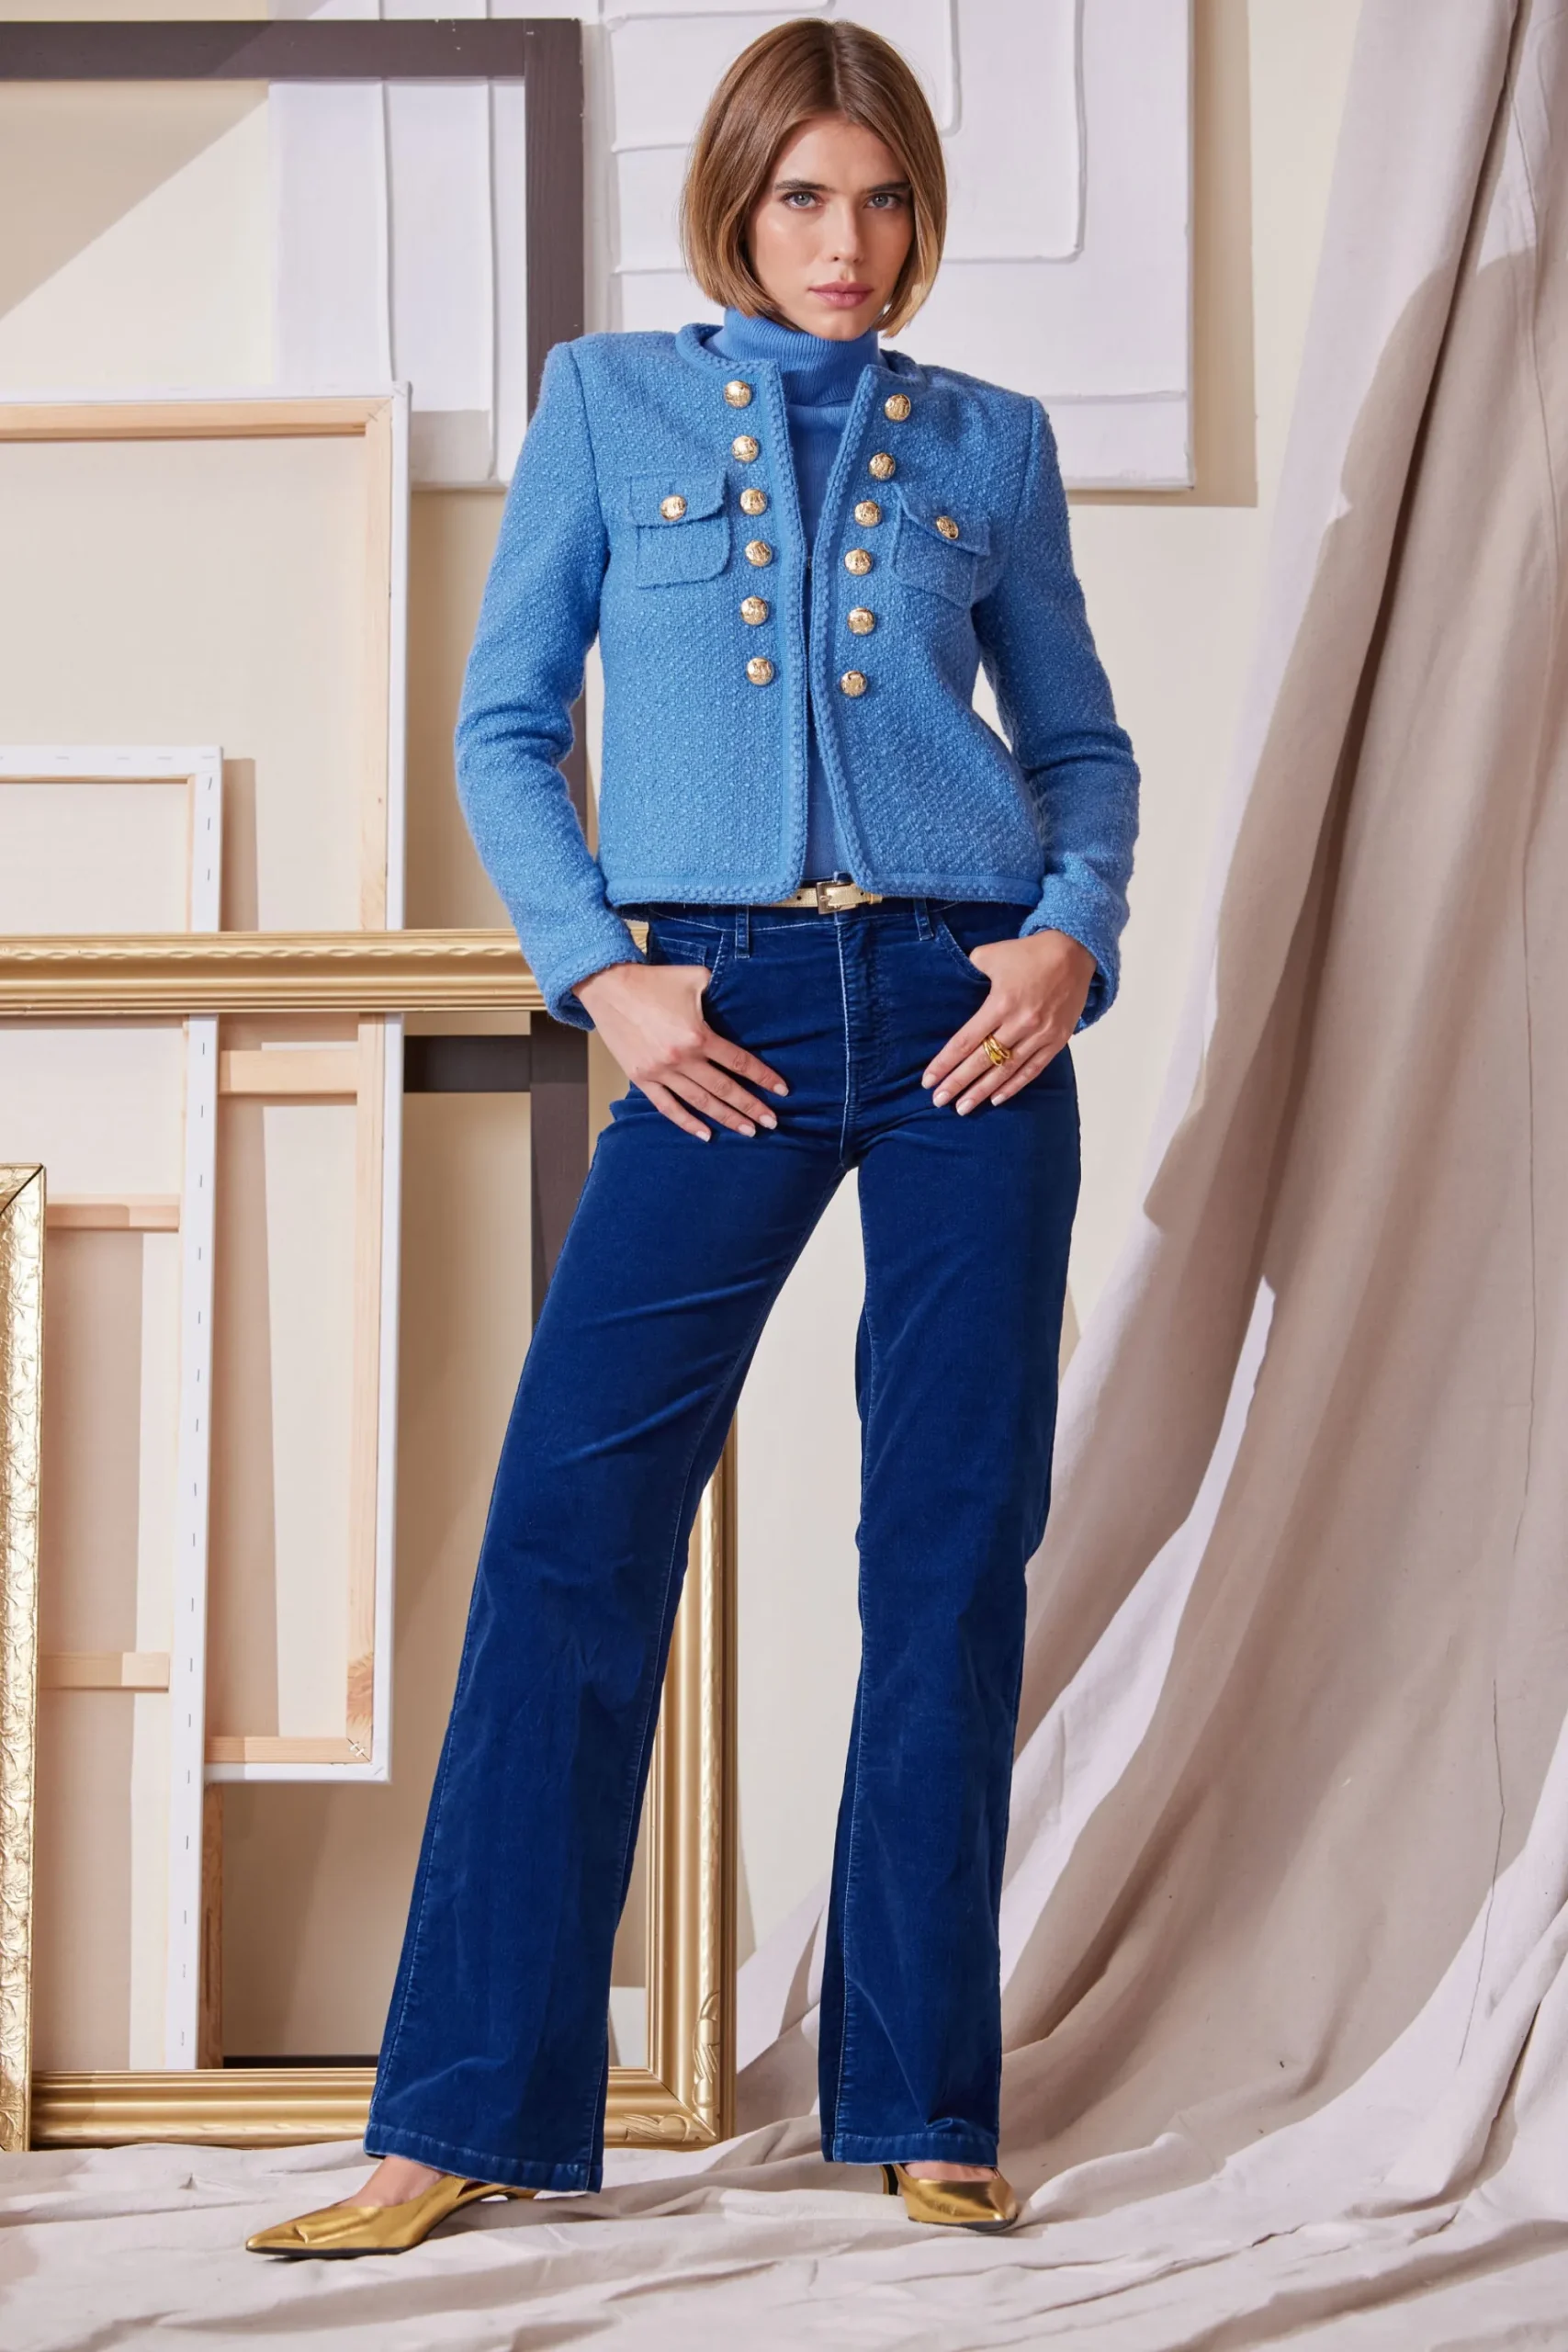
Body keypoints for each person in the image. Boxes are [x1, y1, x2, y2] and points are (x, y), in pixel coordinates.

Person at [247, 16, 1138, 2258]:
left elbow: (1082, 750)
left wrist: (1068, 938)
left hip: (960, 1021)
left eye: (886, 198)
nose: (850, 241)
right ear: (735, 203)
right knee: (573, 1526)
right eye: (807, 196)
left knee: (946, 1546)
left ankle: (925, 2095)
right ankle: (456, 2111)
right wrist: (600, 968)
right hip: (709, 1010)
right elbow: (505, 722)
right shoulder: (607, 403)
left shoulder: (992, 441)